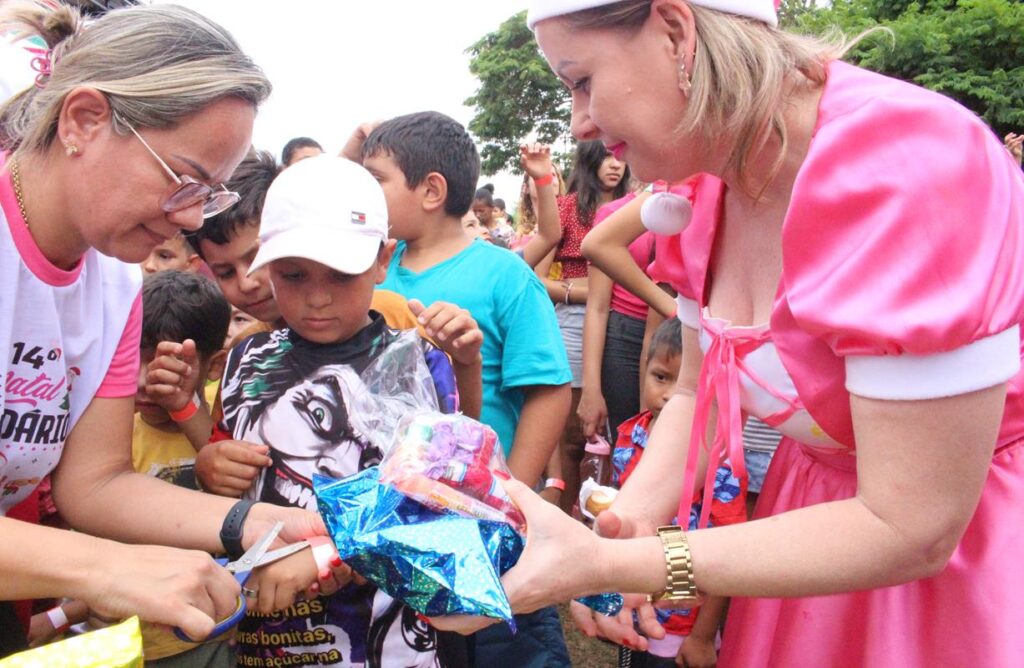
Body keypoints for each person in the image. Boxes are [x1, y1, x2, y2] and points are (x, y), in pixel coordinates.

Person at [433, 2, 1024, 668]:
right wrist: (629, 523)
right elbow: (696, 388)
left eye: (581, 80)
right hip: (806, 532)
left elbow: (913, 525)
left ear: (676, 31)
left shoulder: (911, 165)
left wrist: (623, 560)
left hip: (944, 567)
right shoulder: (707, 180)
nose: (580, 122)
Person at [0, 0, 329, 647]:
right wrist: (105, 567)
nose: (190, 220)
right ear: (85, 120)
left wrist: (260, 524)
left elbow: (96, 483)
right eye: (184, 180)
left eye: (211, 195)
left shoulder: (118, 285)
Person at [214, 155, 481, 666]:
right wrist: (213, 463)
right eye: (293, 275)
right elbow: (227, 453)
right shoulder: (245, 361)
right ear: (267, 268)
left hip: (393, 642)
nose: (317, 297)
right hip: (269, 635)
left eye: (341, 274)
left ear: (383, 260)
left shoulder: (420, 364)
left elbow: (443, 498)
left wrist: (328, 554)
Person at [346, 111, 574, 667]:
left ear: (430, 190)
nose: (362, 192)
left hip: (482, 516)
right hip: (395, 515)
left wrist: (511, 498)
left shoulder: (502, 273)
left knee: (505, 641)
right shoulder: (368, 270)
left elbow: (547, 388)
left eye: (374, 179)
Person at [606, 318, 743, 668]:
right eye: (661, 377)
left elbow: (728, 550)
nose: (668, 394)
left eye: (683, 382)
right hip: (633, 605)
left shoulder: (720, 461)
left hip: (684, 622)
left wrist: (701, 636)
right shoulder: (628, 434)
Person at [536, 139, 630, 514]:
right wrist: (581, 293)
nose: (615, 165)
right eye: (606, 156)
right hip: (574, 322)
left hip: (628, 320)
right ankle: (567, 522)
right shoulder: (564, 209)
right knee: (574, 434)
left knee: (625, 431)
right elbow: (536, 279)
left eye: (620, 157)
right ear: (589, 158)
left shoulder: (638, 207)